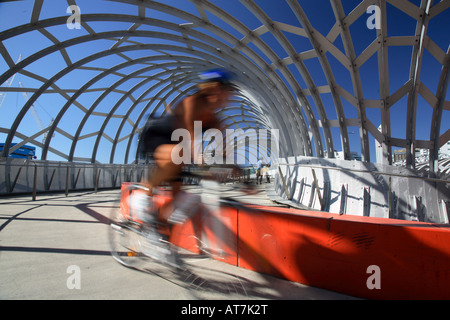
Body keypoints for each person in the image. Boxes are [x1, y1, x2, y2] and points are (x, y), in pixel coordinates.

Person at [139, 69, 235, 224]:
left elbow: (223, 151)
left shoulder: (216, 121)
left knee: (178, 201)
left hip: (179, 149)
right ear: (214, 88)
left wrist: (234, 170)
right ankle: (143, 193)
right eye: (228, 91)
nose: (230, 97)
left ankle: (157, 231)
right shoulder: (191, 102)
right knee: (179, 154)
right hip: (157, 137)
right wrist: (200, 159)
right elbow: (188, 134)